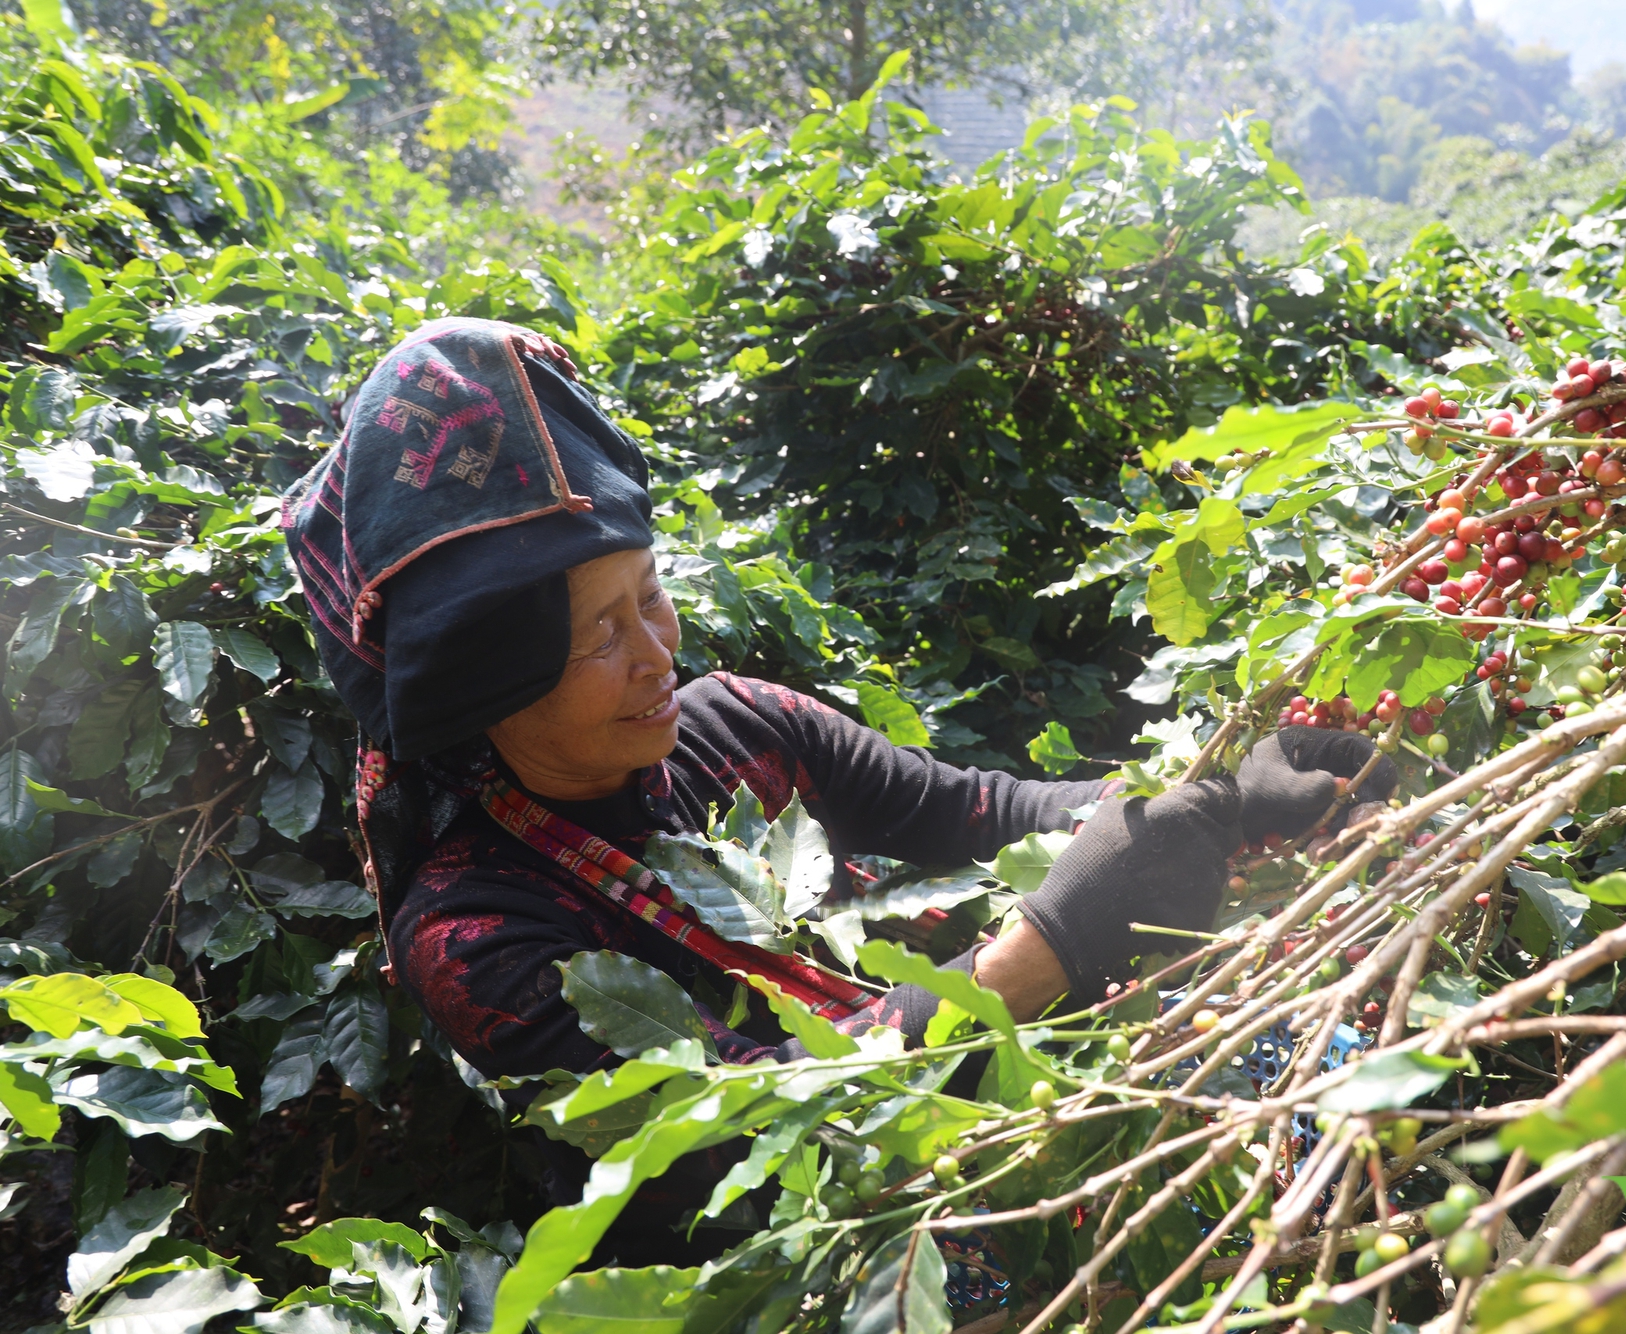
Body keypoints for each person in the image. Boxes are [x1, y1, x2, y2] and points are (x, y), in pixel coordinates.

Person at [281, 318, 1394, 1264]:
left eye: (650, 594)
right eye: (597, 637)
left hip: (953, 1123)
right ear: (493, 690)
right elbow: (745, 1140)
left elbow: (977, 808)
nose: (655, 652)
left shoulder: (739, 726)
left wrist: (1211, 790)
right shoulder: (471, 933)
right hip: (808, 1253)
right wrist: (1040, 950)